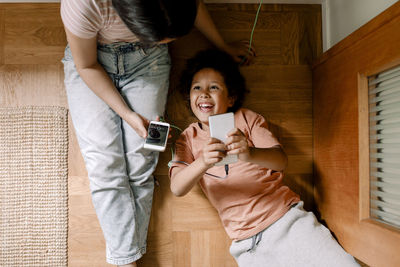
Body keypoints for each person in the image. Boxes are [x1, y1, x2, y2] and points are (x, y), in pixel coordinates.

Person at [60, 0, 254, 266]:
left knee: (142, 163)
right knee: (105, 167)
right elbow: (87, 66)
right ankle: (126, 261)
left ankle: (126, 257)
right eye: (164, 38)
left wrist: (222, 45)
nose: (168, 42)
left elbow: (192, 6)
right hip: (92, 63)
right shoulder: (83, 4)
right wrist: (126, 115)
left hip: (147, 62)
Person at [169, 49, 360, 267]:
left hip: (287, 221)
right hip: (246, 243)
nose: (204, 93)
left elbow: (281, 161)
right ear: (189, 97)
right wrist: (202, 162)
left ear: (231, 98)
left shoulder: (247, 119)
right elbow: (177, 187)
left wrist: (249, 153)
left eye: (213, 87)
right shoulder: (187, 138)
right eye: (197, 88)